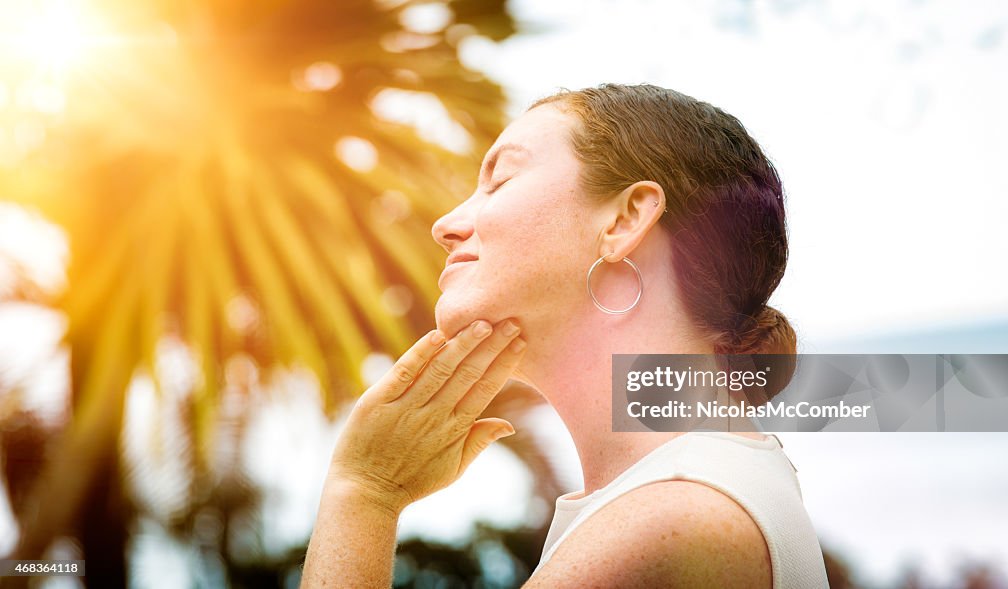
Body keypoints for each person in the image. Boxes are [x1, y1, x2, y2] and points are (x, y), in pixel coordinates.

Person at [300, 83, 829, 588]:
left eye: (501, 179)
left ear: (624, 220)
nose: (446, 225)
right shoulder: (697, 489)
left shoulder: (677, 518)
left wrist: (365, 492)